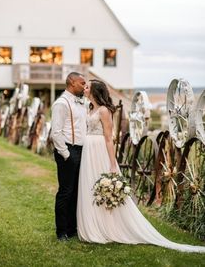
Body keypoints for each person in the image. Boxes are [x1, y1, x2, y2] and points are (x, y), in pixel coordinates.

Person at [77, 79, 205, 253]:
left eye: (87, 87)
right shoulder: (89, 107)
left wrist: (112, 163)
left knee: (100, 185)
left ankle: (107, 227)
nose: (84, 89)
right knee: (88, 185)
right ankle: (92, 226)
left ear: (95, 91)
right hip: (88, 150)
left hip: (98, 150)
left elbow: (109, 138)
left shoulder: (104, 111)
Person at [51, 72, 87, 241]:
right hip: (68, 151)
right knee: (65, 192)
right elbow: (56, 133)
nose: (84, 86)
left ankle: (72, 228)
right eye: (82, 83)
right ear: (72, 83)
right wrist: (66, 154)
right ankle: (61, 232)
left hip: (82, 150)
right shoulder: (61, 103)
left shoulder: (82, 102)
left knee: (76, 192)